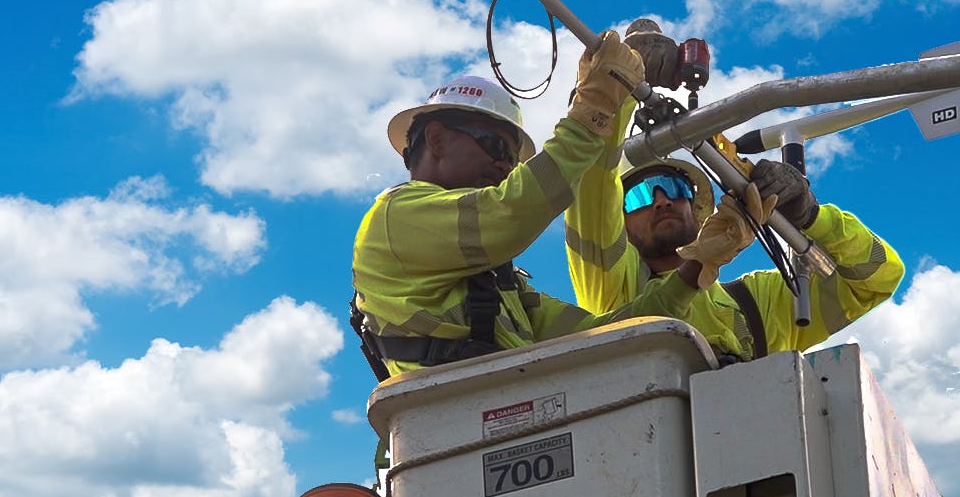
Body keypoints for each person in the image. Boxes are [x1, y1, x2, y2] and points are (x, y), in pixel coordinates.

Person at [352, 32, 755, 377]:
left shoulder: (495, 283)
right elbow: (513, 211)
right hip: (455, 430)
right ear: (437, 140)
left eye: (512, 159)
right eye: (495, 146)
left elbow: (607, 334)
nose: (504, 166)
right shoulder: (396, 218)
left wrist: (697, 266)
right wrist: (594, 107)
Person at [564, 23, 905, 363]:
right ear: (616, 222)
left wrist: (810, 215)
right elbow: (589, 182)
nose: (661, 200)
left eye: (672, 187)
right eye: (637, 196)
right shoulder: (612, 287)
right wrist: (615, 82)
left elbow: (879, 278)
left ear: (697, 210)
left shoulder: (762, 303)